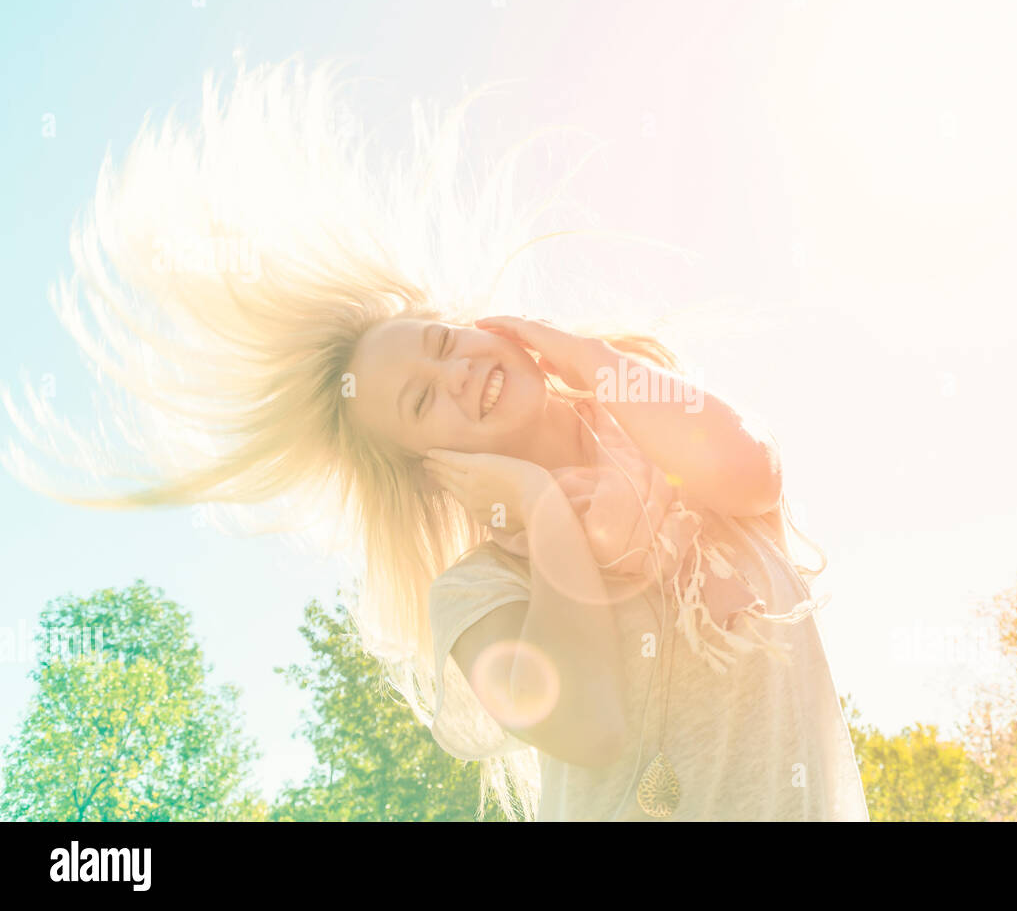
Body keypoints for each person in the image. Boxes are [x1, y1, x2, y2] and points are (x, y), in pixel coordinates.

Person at [3, 56, 870, 821]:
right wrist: (542, 513)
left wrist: (586, 356)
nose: (455, 372)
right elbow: (593, 725)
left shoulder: (655, 422)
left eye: (445, 342)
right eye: (422, 403)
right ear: (432, 467)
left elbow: (753, 475)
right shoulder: (478, 595)